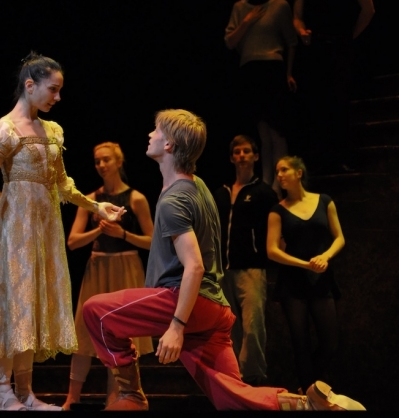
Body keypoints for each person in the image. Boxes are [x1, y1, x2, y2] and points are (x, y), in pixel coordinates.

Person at [81, 109, 365, 411]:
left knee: (95, 311)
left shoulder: (175, 199)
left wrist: (177, 325)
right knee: (231, 398)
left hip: (185, 300)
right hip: (215, 308)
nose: (150, 134)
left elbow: (195, 265)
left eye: (157, 130)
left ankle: (130, 394)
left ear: (169, 145)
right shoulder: (198, 186)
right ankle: (308, 405)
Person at [0, 52, 125, 412]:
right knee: (10, 306)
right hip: (15, 231)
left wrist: (96, 206)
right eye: (52, 89)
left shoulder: (52, 131)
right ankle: (5, 393)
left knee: (31, 307)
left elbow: (63, 184)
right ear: (30, 85)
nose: (57, 97)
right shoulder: (5, 130)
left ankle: (26, 393)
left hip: (45, 233)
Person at [62, 142, 154, 410]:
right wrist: (100, 231)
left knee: (123, 333)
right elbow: (73, 242)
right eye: (97, 161)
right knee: (84, 330)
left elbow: (152, 241)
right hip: (98, 267)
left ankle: (118, 396)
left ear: (119, 162)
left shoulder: (136, 198)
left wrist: (122, 234)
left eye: (106, 160)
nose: (101, 165)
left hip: (126, 267)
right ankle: (72, 398)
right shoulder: (90, 200)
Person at [292, 0, 375, 172]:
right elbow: (297, 15)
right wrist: (301, 31)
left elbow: (368, 8)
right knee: (318, 102)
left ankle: (344, 157)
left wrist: (351, 35)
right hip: (315, 47)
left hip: (340, 45)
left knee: (341, 100)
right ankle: (322, 159)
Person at [267, 156, 344, 394]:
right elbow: (272, 250)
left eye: (284, 170)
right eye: (277, 171)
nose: (279, 175)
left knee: (330, 342)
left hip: (321, 279)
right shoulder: (277, 210)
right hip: (293, 282)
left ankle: (309, 389)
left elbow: (339, 237)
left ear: (299, 173)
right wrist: (305, 264)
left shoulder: (324, 201)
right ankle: (310, 396)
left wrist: (325, 257)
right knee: (300, 343)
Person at [225, 0, 298, 193]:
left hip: (272, 68)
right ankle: (267, 184)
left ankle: (281, 181)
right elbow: (230, 42)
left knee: (277, 130)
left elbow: (291, 41)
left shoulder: (279, 5)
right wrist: (246, 22)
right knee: (263, 134)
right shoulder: (240, 7)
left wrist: (289, 73)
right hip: (250, 70)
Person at [213, 135, 278, 387]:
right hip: (223, 270)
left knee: (253, 326)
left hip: (251, 267)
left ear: (256, 156)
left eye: (246, 151)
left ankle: (254, 377)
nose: (241, 155)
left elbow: (274, 230)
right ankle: (234, 378)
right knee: (230, 327)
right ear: (231, 158)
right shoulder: (221, 193)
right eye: (237, 152)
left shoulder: (264, 193)